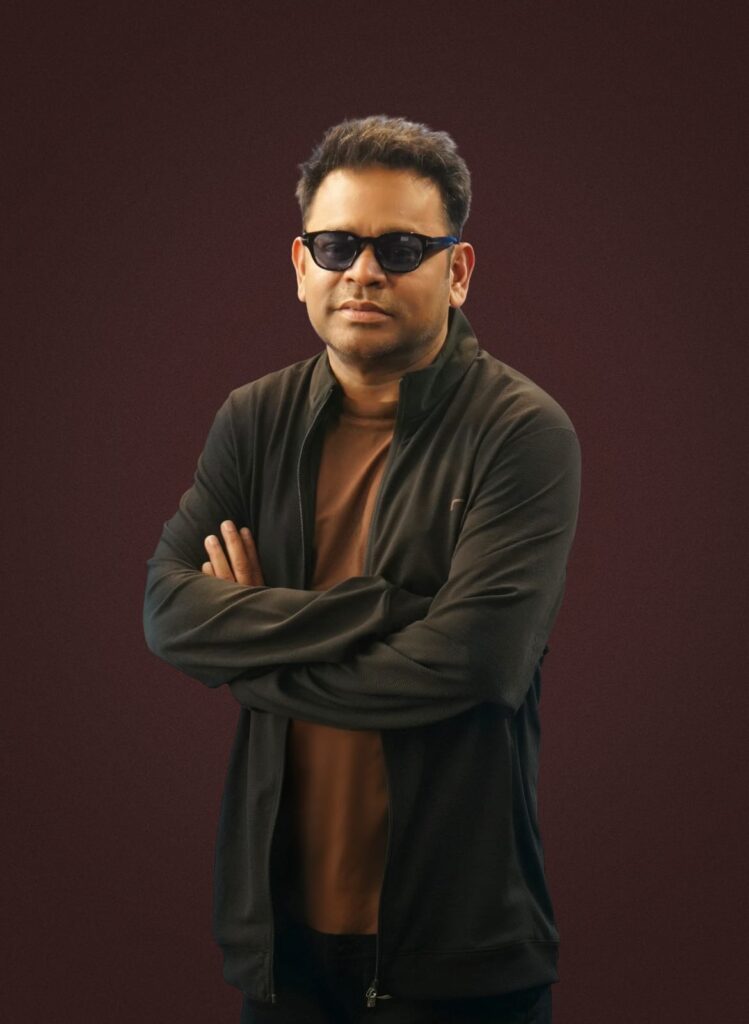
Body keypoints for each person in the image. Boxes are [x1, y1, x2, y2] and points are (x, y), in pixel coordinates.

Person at [143, 115, 581, 1023]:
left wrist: (253, 649)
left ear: (457, 272)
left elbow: (473, 664)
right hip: (283, 950)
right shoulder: (252, 418)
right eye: (337, 246)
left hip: (460, 959)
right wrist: (390, 611)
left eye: (401, 248)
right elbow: (168, 611)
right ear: (301, 264)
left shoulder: (520, 432)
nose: (364, 272)